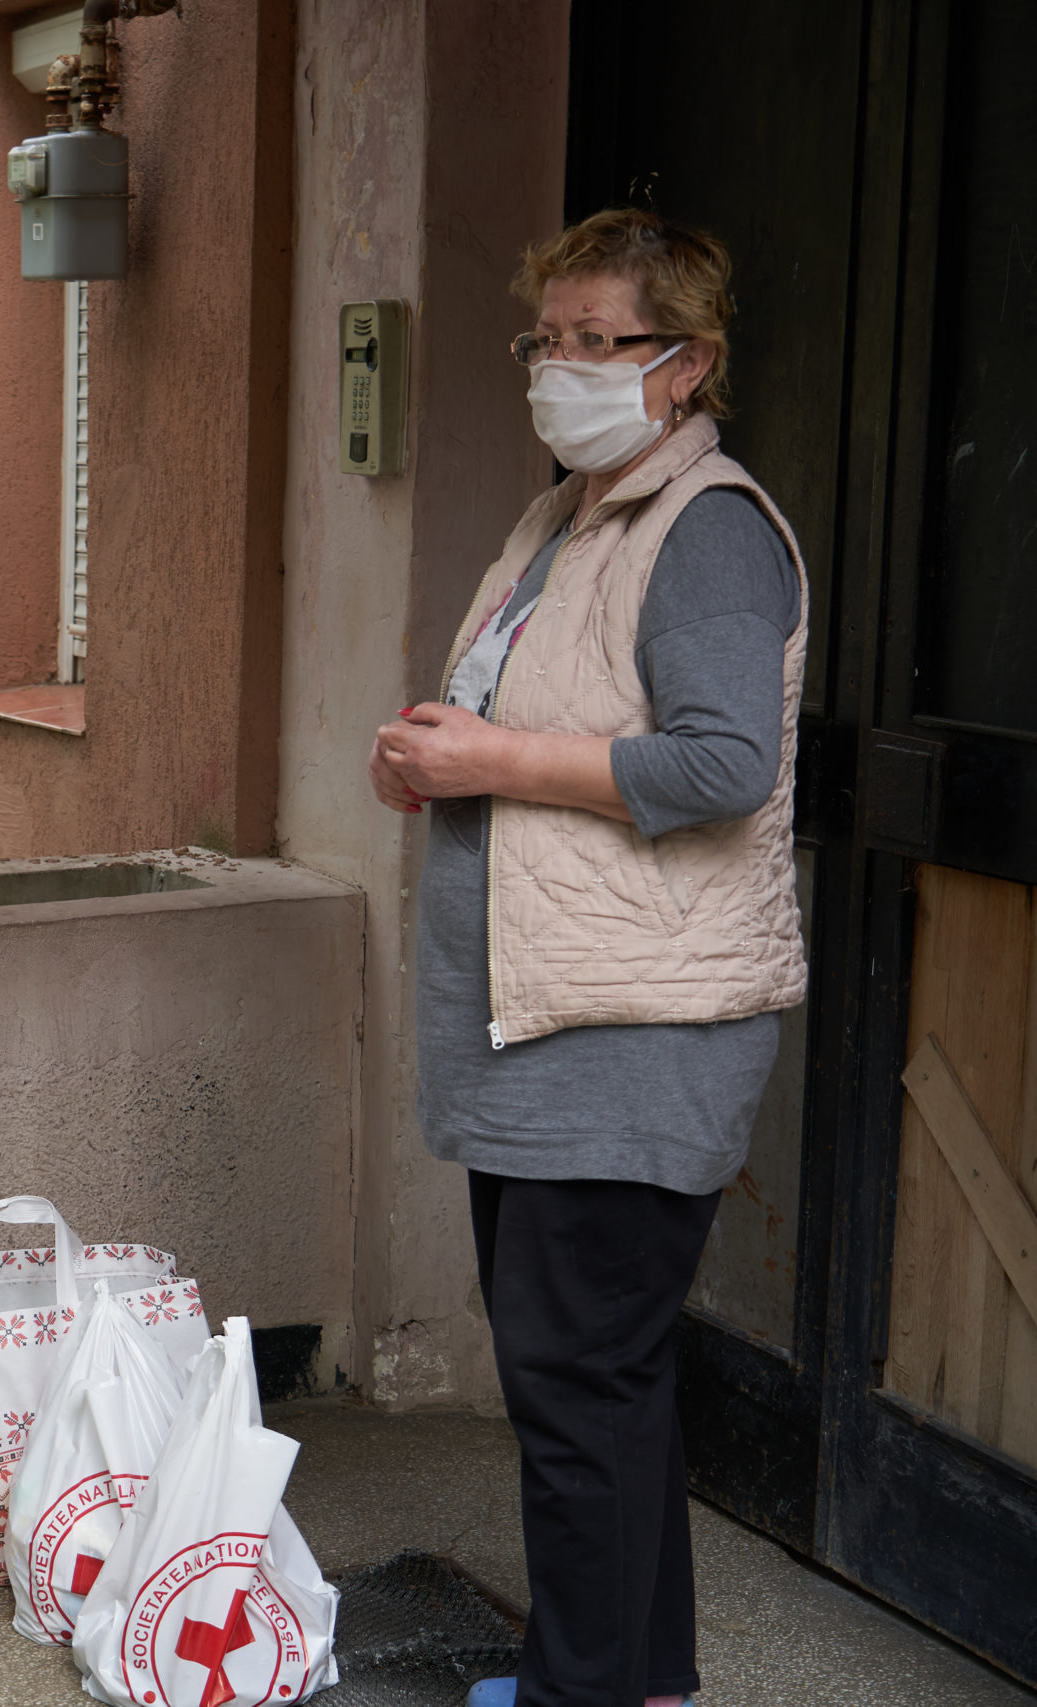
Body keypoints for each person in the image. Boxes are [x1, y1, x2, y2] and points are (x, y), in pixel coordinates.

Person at [369, 208, 804, 1707]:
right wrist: (439, 757)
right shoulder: (563, 519)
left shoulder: (712, 532)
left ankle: (583, 1690)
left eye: (597, 341)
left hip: (631, 1027)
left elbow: (726, 761)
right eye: (545, 339)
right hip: (550, 1017)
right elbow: (526, 726)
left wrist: (497, 752)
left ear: (686, 365)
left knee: (578, 1387)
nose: (560, 367)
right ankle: (640, 1677)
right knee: (594, 1384)